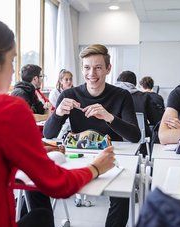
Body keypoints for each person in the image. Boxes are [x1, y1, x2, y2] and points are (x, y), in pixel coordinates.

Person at [0, 13, 115, 227]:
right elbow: (57, 184)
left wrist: (37, 149)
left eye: (97, 68)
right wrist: (96, 168)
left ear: (108, 69)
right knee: (41, 215)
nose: (14, 71)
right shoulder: (6, 109)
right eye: (12, 60)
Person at [44, 44, 141, 227]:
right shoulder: (69, 94)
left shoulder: (122, 95)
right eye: (87, 68)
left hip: (113, 157)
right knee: (42, 184)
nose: (92, 73)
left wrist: (109, 117)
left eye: (98, 67)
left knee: (122, 195)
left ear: (108, 69)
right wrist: (57, 114)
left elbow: (134, 136)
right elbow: (49, 134)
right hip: (78, 156)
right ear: (82, 69)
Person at [115, 71, 164, 154]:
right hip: (141, 143)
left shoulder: (111, 96)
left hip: (115, 141)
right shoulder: (144, 97)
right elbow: (156, 120)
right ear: (134, 84)